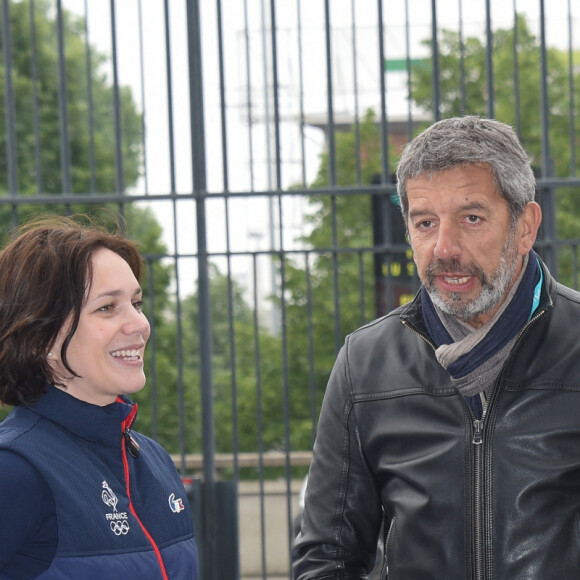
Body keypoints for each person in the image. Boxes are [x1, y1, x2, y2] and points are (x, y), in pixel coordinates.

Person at [292, 115, 580, 579]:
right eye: (425, 223)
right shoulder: (365, 365)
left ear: (525, 226)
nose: (444, 247)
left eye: (471, 218)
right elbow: (328, 557)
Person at [0, 215, 198, 580]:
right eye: (107, 307)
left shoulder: (154, 461)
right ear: (41, 336)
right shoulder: (14, 469)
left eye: (136, 303)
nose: (139, 324)